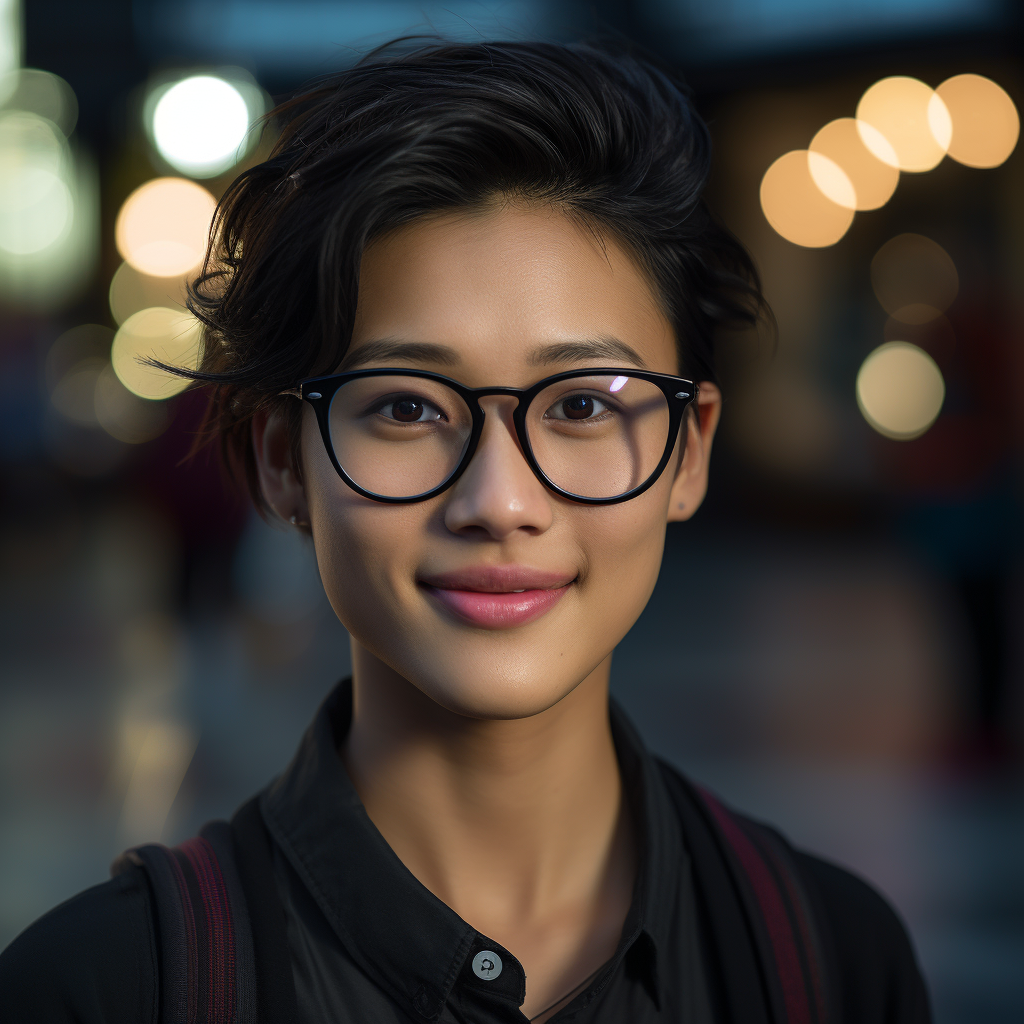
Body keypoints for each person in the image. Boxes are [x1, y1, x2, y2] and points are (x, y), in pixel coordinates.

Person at [0, 40, 931, 1024]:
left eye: (580, 404)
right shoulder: (101, 989)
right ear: (283, 461)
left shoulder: (828, 961)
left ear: (689, 451)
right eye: (405, 408)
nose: (497, 499)